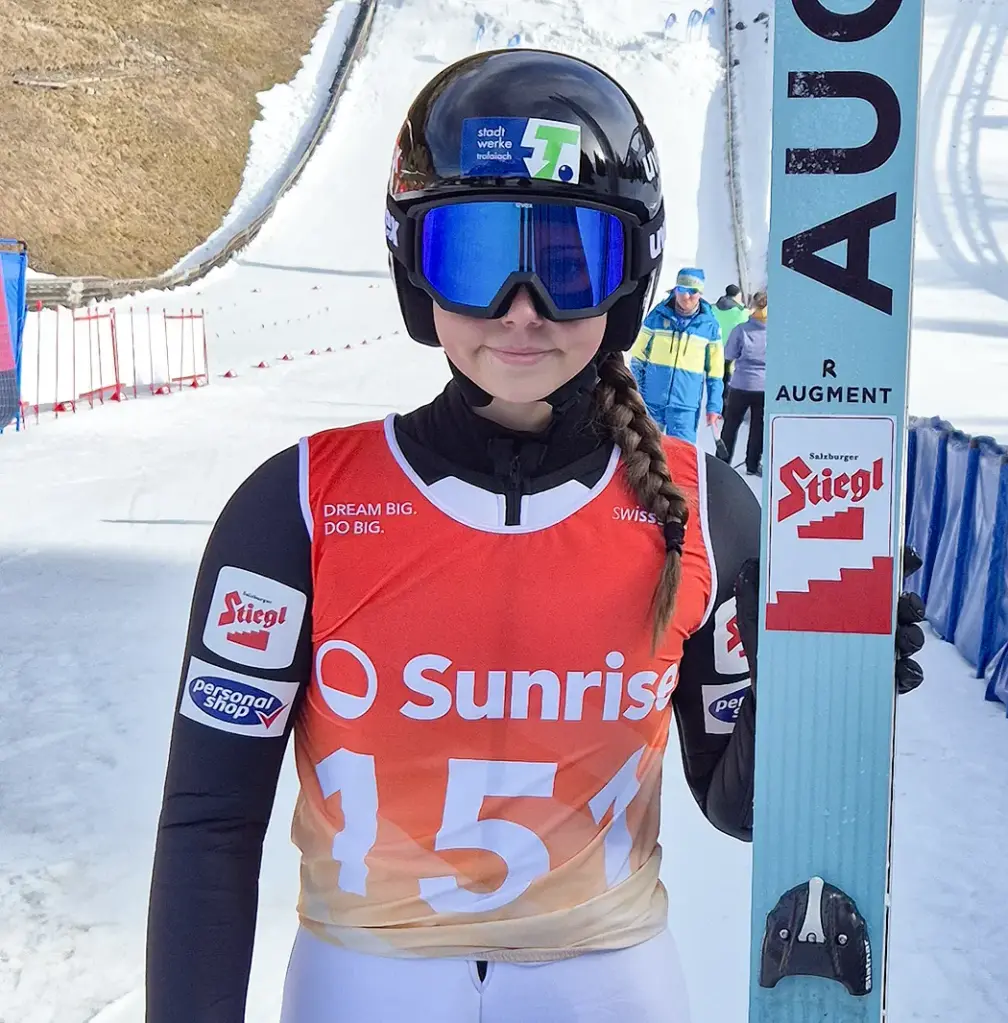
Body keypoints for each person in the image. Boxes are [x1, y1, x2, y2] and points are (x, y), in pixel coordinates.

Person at [144, 49, 927, 1023]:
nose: (521, 310)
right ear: (413, 270)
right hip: (365, 982)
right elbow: (211, 827)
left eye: (569, 261)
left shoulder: (705, 513)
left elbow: (740, 806)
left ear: (630, 277)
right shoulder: (298, 509)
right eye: (473, 257)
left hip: (608, 979)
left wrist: (818, 679)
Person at [629, 268, 723, 444]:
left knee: (681, 457)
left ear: (701, 293)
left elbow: (715, 373)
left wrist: (714, 406)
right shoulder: (656, 317)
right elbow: (638, 359)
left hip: (684, 406)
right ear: (675, 289)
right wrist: (638, 394)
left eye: (693, 291)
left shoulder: (709, 326)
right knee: (644, 452)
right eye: (682, 290)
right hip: (651, 403)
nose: (687, 296)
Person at [720, 290, 767, 476]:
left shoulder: (741, 330)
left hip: (740, 384)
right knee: (758, 427)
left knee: (731, 425)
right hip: (764, 387)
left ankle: (722, 462)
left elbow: (729, 355)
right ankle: (752, 464)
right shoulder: (777, 333)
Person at [712, 284, 750, 393]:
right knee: (728, 383)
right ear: (737, 296)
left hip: (714, 350)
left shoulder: (712, 308)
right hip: (731, 353)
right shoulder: (741, 313)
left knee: (715, 381)